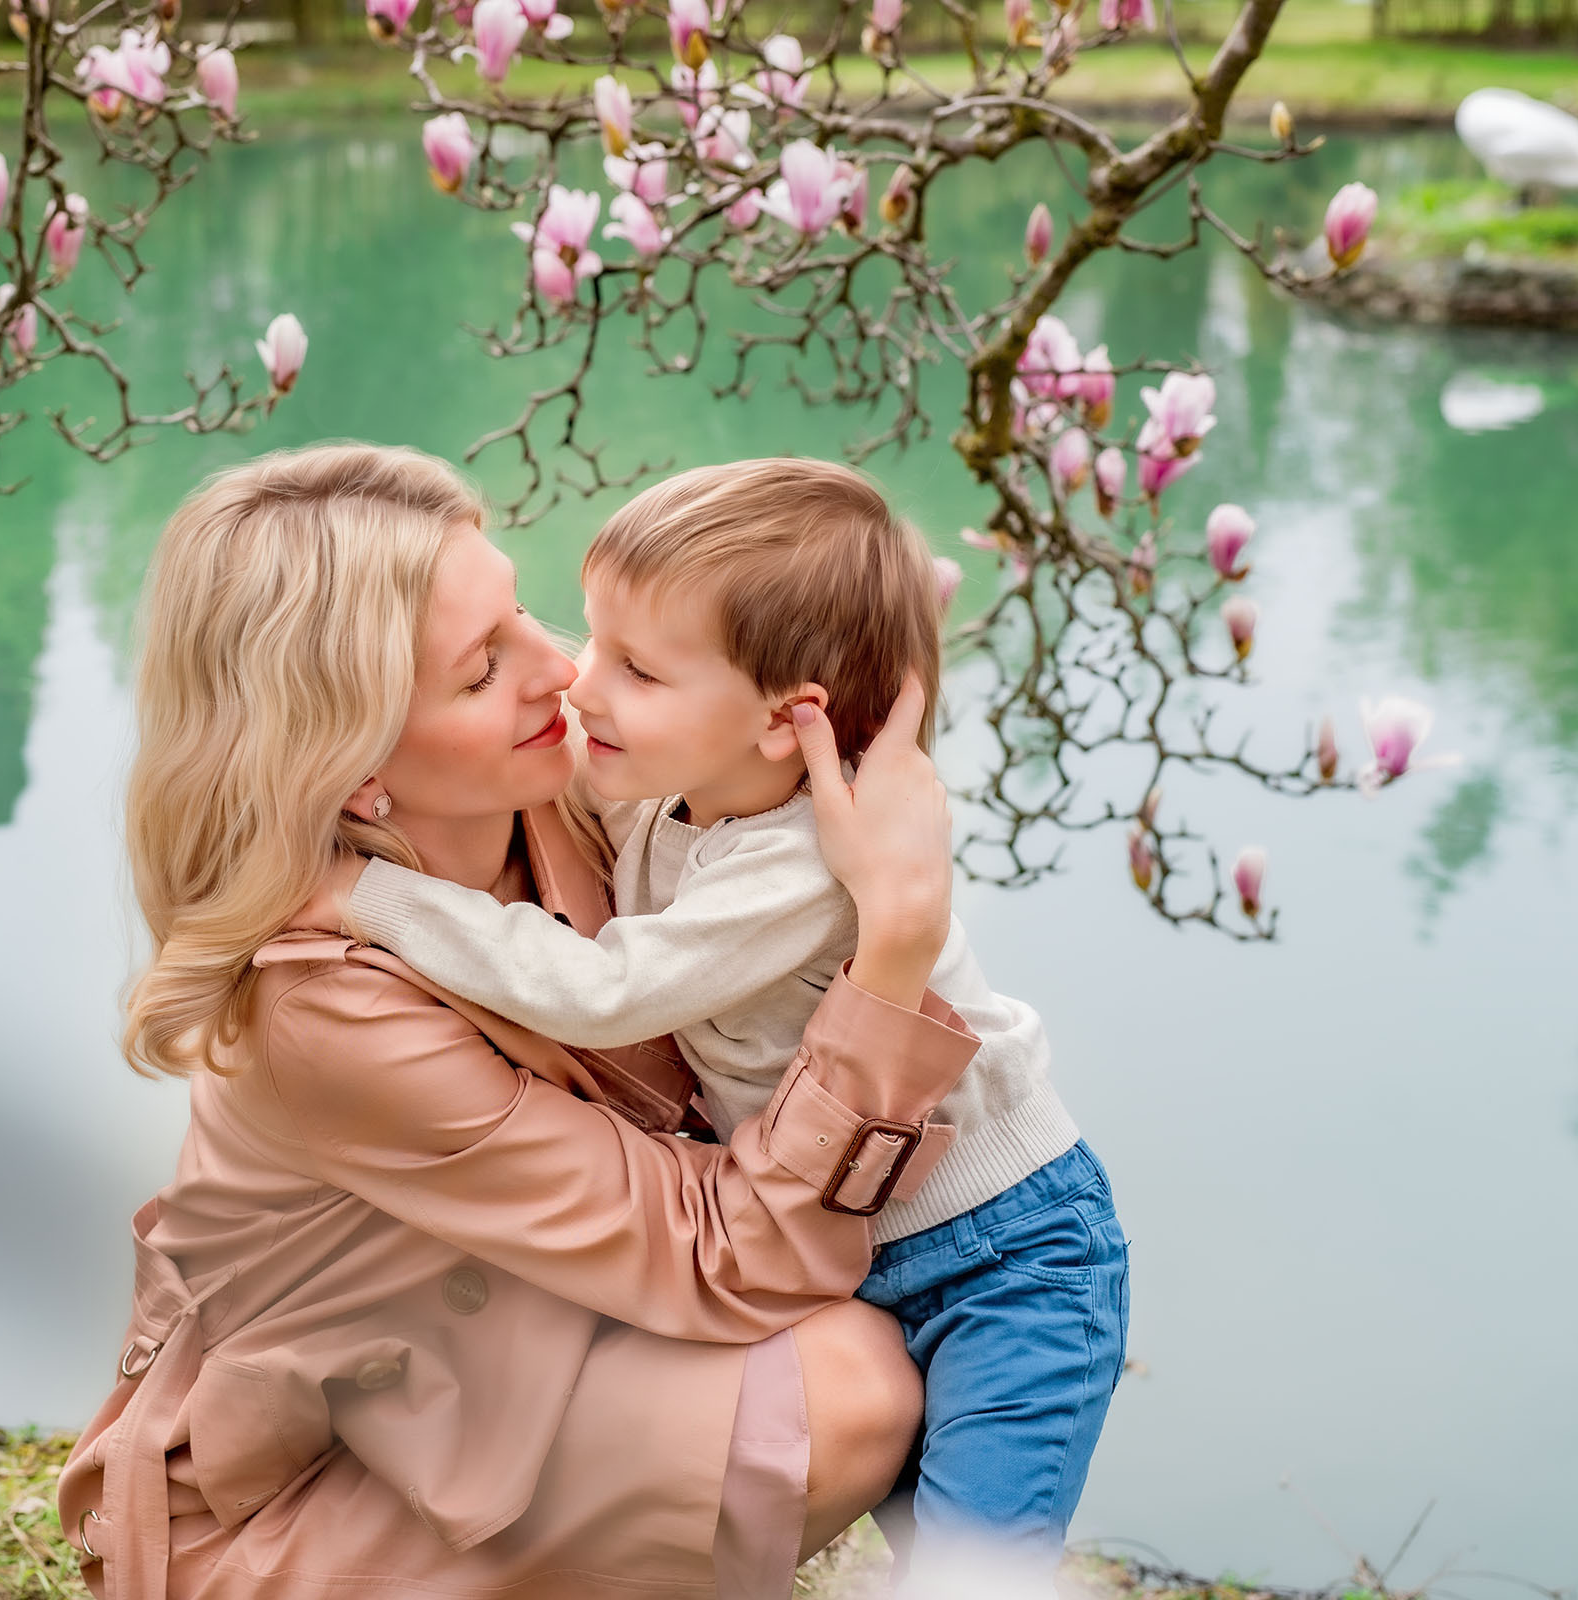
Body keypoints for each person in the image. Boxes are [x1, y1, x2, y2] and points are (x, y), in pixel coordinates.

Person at [56, 443, 980, 1600]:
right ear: (352, 771)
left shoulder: (577, 805)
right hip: (295, 1514)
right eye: (482, 667)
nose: (563, 671)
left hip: (489, 1402)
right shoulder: (319, 1009)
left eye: (522, 612)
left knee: (931, 1307)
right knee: (849, 1384)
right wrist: (891, 953)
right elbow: (729, 1255)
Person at [337, 459, 1130, 1582]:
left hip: (1003, 1256)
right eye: (596, 640)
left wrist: (373, 897)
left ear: (783, 720)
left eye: (635, 668)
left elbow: (602, 989)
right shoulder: (684, 788)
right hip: (859, 1237)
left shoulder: (798, 859)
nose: (577, 676)